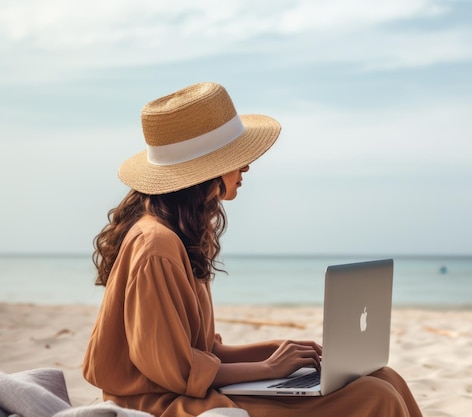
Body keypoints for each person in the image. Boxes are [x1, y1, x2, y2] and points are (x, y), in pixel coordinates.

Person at [82, 82, 423, 417]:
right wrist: (269, 367)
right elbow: (177, 370)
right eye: (237, 158)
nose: (246, 167)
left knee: (383, 377)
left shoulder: (177, 233)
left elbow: (205, 352)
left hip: (187, 389)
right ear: (204, 170)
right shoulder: (156, 245)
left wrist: (278, 351)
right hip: (162, 403)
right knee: (373, 396)